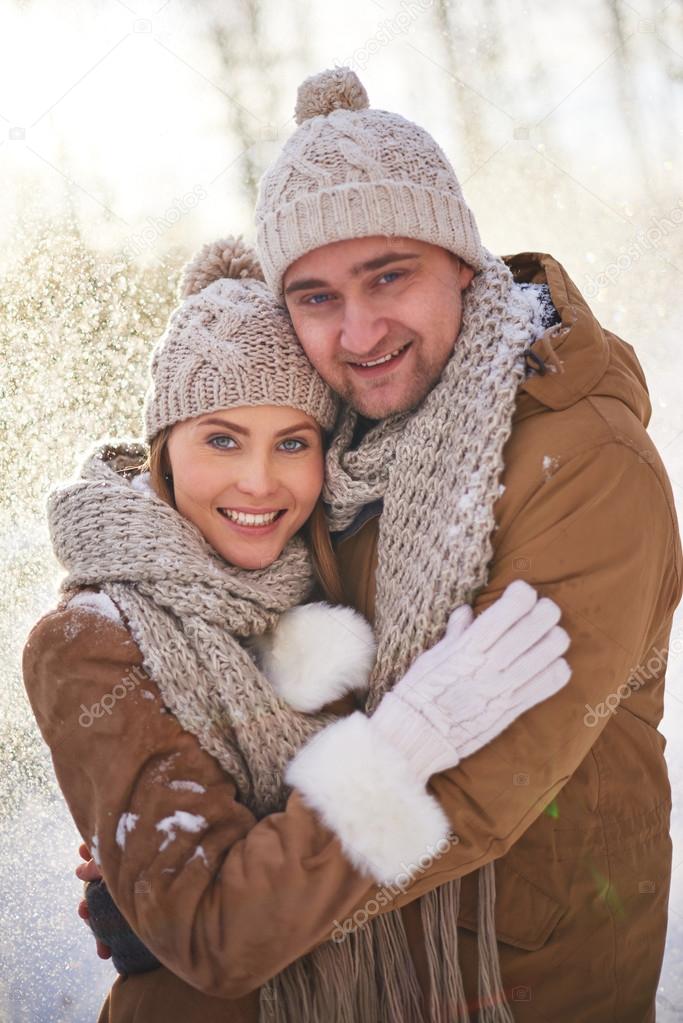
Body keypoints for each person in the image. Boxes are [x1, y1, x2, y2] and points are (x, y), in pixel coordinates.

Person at [23, 237, 571, 1022]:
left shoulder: (328, 584)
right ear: (164, 452)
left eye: (292, 442)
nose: (259, 480)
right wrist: (401, 744)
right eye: (221, 438)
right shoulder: (91, 637)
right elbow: (216, 934)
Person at [250, 66, 683, 1021]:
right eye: (316, 297)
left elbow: (474, 788)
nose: (358, 332)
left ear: (462, 261)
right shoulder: (316, 443)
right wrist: (170, 842)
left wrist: (223, 898)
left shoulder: (588, 463)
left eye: (388, 276)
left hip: (523, 978)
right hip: (358, 956)